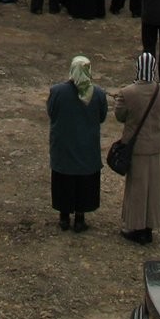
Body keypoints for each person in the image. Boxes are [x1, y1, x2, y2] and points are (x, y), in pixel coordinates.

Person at [114, 52, 160, 246]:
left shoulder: (128, 92)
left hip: (136, 148)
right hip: (157, 146)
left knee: (137, 189)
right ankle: (149, 228)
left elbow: (120, 116)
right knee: (154, 189)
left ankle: (136, 228)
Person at [46, 55, 108, 233]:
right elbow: (102, 117)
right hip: (87, 149)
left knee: (63, 181)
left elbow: (51, 112)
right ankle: (80, 218)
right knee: (84, 183)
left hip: (63, 148)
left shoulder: (57, 91)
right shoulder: (98, 94)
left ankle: (64, 217)